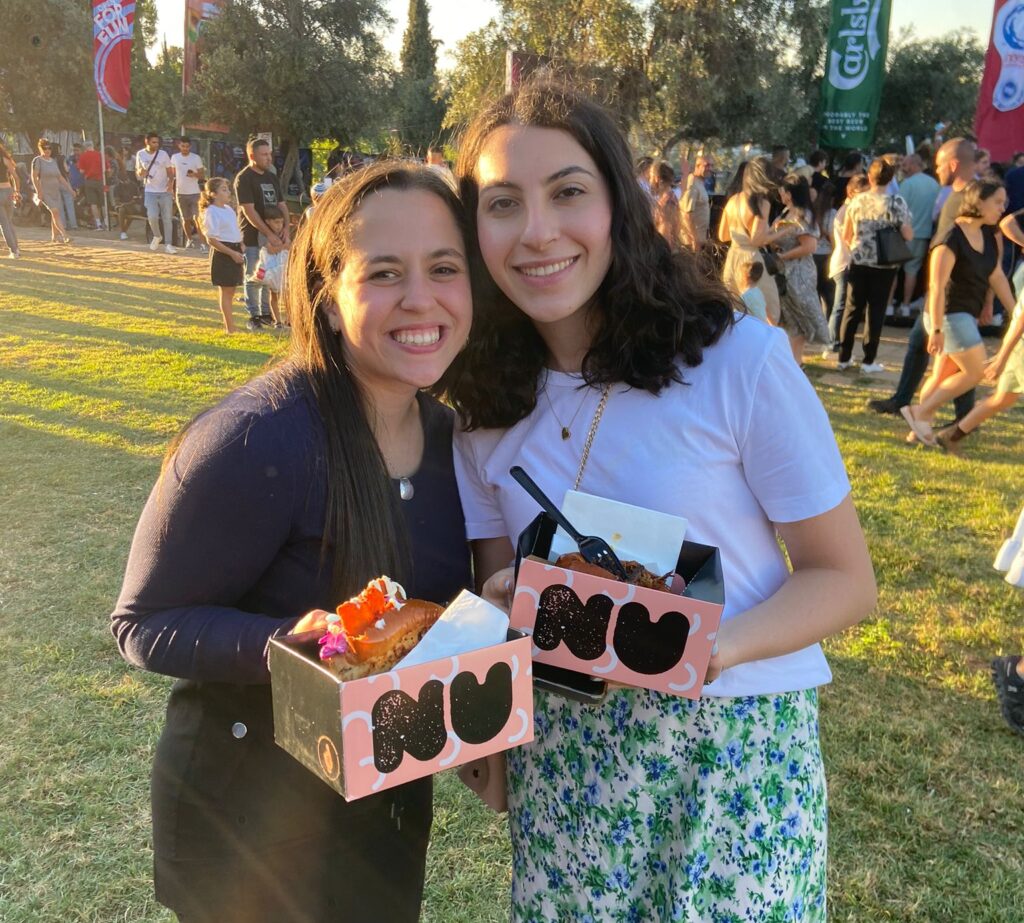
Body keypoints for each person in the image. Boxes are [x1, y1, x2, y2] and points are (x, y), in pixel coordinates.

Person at [444, 80, 876, 923]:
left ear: (619, 203)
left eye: (568, 192)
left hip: (736, 762)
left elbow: (844, 579)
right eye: (502, 204)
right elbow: (503, 606)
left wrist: (711, 647)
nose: (538, 232)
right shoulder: (481, 411)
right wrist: (497, 629)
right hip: (569, 773)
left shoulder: (737, 361)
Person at [110, 161, 473, 922]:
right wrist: (289, 642)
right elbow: (142, 623)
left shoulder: (456, 442)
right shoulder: (259, 438)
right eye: (383, 272)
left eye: (445, 267)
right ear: (330, 300)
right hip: (243, 830)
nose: (421, 297)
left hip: (384, 814)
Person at [866, 138, 978, 417]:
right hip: (944, 289)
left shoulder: (968, 198)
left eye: (939, 165)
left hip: (952, 292)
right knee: (924, 346)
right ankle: (903, 401)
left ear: (953, 165)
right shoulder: (954, 195)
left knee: (957, 356)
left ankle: (963, 416)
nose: (937, 170)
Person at [900, 181, 1016, 446]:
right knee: (975, 372)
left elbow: (996, 275)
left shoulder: (987, 234)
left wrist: (1016, 311)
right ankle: (918, 413)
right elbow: (936, 286)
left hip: (966, 314)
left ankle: (917, 429)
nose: (1003, 208)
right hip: (948, 315)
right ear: (979, 201)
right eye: (998, 202)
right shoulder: (951, 237)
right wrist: (937, 330)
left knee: (941, 378)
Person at [836, 158, 913, 372]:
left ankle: (843, 356)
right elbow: (907, 234)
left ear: (869, 177)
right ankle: (869, 360)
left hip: (859, 260)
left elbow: (846, 233)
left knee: (852, 308)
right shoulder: (896, 202)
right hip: (884, 263)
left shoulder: (857, 201)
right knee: (876, 311)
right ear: (891, 179)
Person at [935, 282, 1024, 454]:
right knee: (1003, 398)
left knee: (1003, 398)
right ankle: (951, 436)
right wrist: (1002, 357)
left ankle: (951, 436)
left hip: (1018, 346)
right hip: (1020, 348)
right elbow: (1020, 321)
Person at [771, 173, 831, 363]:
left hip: (798, 273)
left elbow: (809, 246)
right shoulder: (786, 212)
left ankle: (795, 362)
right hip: (783, 271)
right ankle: (793, 361)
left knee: (799, 318)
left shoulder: (802, 215)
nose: (780, 193)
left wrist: (781, 256)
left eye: (782, 190)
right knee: (788, 320)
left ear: (789, 193)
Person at [235, 137, 290, 330]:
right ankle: (254, 316)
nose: (269, 158)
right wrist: (268, 233)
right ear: (252, 156)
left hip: (274, 235)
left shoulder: (271, 176)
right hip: (253, 236)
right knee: (254, 276)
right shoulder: (244, 178)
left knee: (270, 275)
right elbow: (249, 211)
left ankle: (267, 314)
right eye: (264, 154)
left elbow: (281, 204)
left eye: (270, 154)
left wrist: (286, 229)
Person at [719, 156, 781, 323]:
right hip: (752, 261)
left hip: (733, 258)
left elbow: (722, 235)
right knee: (771, 311)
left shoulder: (733, 200)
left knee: (735, 310)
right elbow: (756, 240)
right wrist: (781, 232)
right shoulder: (762, 202)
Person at [824, 175, 870, 354]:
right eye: (863, 192)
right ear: (852, 192)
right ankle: (831, 342)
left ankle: (835, 341)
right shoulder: (849, 210)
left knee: (842, 304)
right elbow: (848, 238)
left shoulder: (847, 208)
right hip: (844, 263)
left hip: (843, 261)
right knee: (840, 304)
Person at [896, 153, 940, 316]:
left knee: (894, 269)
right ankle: (906, 306)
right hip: (923, 234)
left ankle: (888, 306)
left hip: (903, 234)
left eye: (905, 165)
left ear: (914, 165)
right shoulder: (934, 184)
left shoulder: (907, 184)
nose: (903, 168)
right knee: (912, 270)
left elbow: (898, 209)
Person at [199, 177, 244, 334]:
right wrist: (231, 253)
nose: (228, 192)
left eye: (227, 189)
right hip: (224, 252)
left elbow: (234, 228)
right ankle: (229, 327)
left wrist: (240, 244)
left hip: (235, 248)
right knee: (226, 290)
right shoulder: (211, 211)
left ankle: (231, 325)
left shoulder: (228, 209)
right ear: (213, 194)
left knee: (231, 290)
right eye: (223, 190)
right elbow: (212, 239)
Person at [136, 132, 176, 254]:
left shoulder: (163, 154)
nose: (156, 145)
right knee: (152, 216)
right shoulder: (140, 154)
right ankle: (157, 236)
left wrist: (170, 184)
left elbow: (170, 171)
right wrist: (141, 172)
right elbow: (138, 173)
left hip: (164, 190)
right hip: (150, 190)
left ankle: (168, 244)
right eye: (153, 142)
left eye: (157, 142)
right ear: (146, 142)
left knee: (167, 218)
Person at [248, 212, 290, 327]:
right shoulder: (263, 234)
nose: (279, 225)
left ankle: (289, 318)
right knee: (274, 295)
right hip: (271, 269)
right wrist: (283, 247)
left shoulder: (284, 233)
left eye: (281, 222)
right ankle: (278, 320)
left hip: (283, 267)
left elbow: (289, 246)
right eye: (276, 222)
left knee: (288, 295)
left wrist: (282, 246)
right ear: (267, 222)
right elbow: (270, 250)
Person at [31, 138, 73, 244]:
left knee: (55, 214)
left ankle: (54, 237)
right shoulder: (37, 160)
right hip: (45, 191)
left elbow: (60, 177)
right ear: (40, 149)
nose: (47, 150)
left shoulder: (53, 161)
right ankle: (65, 235)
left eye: (49, 148)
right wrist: (39, 191)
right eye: (44, 148)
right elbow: (34, 176)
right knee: (55, 211)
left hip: (55, 191)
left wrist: (70, 189)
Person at [171, 136, 207, 251]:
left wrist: (194, 174)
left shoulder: (196, 158)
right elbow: (172, 176)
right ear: (179, 146)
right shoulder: (175, 158)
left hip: (195, 192)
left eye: (187, 146)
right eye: (183, 146)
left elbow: (202, 175)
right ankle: (189, 239)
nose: (185, 148)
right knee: (185, 218)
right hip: (180, 192)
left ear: (190, 146)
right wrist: (171, 190)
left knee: (197, 218)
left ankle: (203, 244)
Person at [811, 182, 836, 316]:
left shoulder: (812, 211)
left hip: (813, 254)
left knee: (815, 291)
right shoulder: (832, 213)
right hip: (827, 256)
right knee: (828, 292)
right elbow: (833, 239)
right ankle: (827, 322)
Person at [680, 154, 712, 250]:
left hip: (700, 240)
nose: (710, 168)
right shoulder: (692, 182)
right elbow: (686, 213)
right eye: (707, 165)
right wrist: (694, 239)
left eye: (712, 165)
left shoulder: (699, 183)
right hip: (691, 243)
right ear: (697, 166)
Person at [650, 161, 681, 250]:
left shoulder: (668, 201)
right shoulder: (667, 198)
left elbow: (666, 232)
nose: (650, 180)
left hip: (662, 252)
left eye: (651, 176)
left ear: (657, 178)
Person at [50, 141, 79, 231]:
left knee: (59, 206)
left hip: (54, 183)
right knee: (69, 203)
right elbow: (66, 169)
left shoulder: (49, 159)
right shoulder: (62, 158)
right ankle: (73, 224)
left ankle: (63, 225)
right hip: (64, 182)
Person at [0, 141, 23, 258]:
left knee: (4, 224)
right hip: (8, 190)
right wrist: (17, 191)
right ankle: (17, 248)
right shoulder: (5, 158)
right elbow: (16, 177)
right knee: (9, 222)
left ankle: (13, 251)